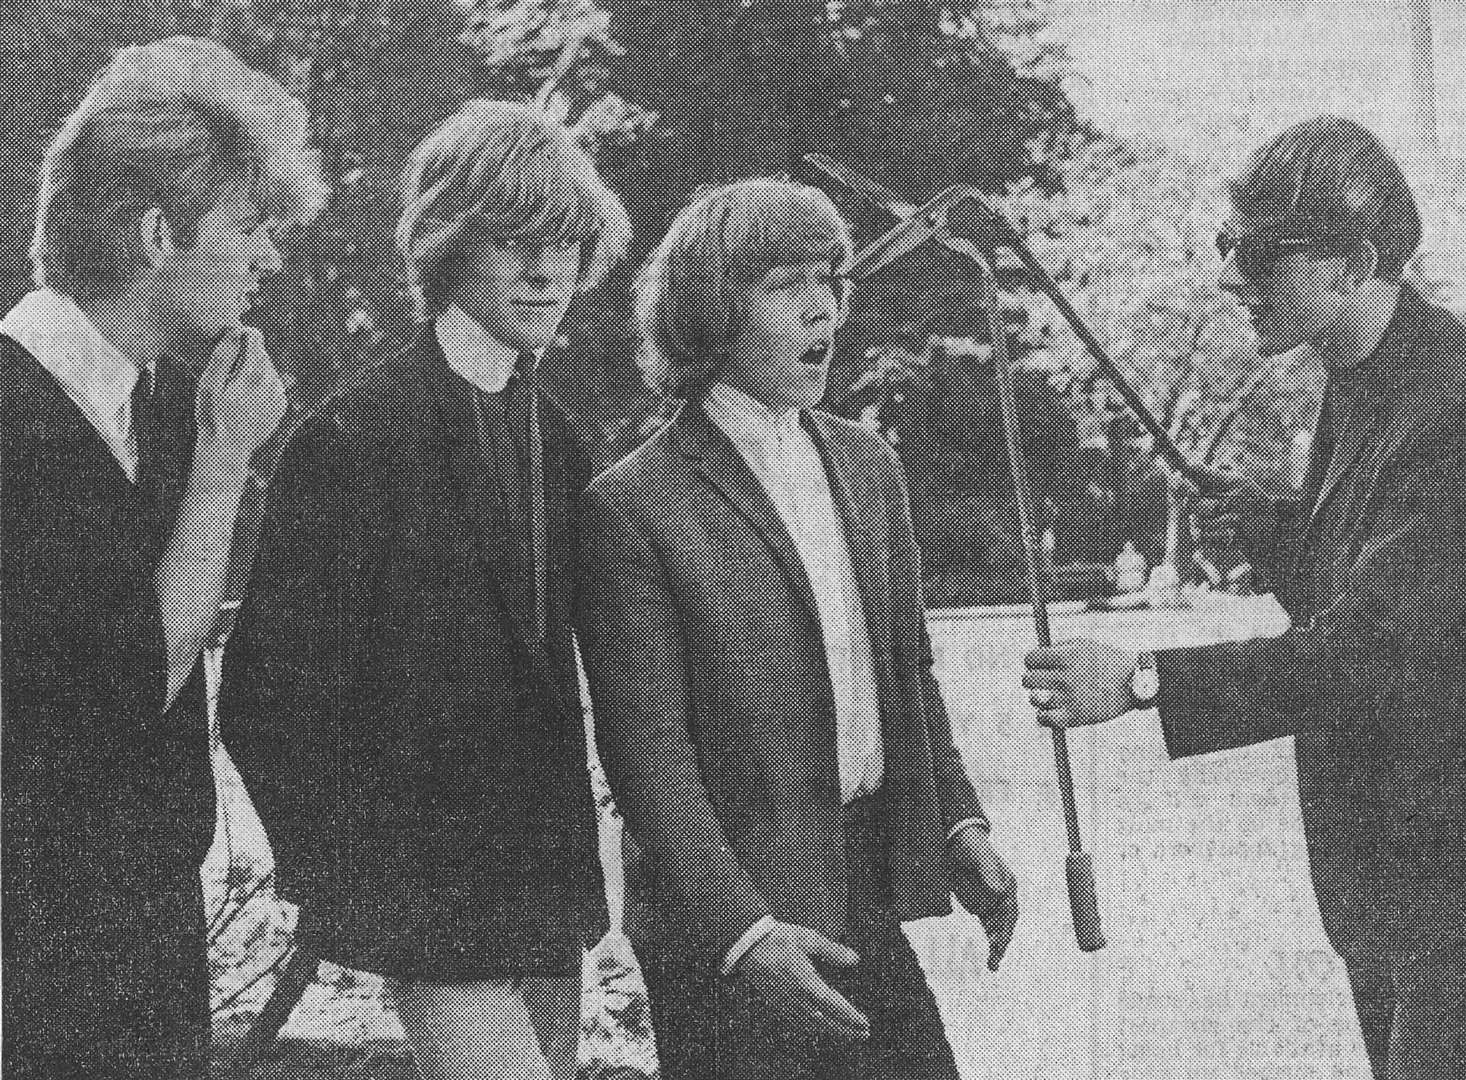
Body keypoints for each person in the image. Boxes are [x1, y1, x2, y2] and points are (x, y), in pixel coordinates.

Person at [1023, 115, 1466, 1080]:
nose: (1231, 277)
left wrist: (1139, 680)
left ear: (1356, 261)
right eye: (1230, 247)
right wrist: (1273, 530)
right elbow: (1377, 585)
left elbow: (1374, 657)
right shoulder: (1363, 381)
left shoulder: (1451, 403)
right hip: (1384, 880)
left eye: (1260, 254)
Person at [219, 100, 630, 1080]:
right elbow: (264, 694)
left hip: (544, 899)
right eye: (513, 240)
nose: (544, 271)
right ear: (447, 245)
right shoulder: (354, 437)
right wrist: (355, 884)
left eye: (565, 243)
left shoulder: (564, 442)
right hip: (426, 903)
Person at [576, 178, 1019, 1080]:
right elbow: (645, 755)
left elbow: (910, 676)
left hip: (862, 897)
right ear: (707, 310)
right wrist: (743, 933)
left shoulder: (867, 464)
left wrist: (958, 826)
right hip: (728, 933)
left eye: (831, 281)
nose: (823, 307)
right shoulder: (632, 506)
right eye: (785, 284)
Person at [1, 37, 321, 1078]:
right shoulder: (15, 414)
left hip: (139, 924)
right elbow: (125, 678)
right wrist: (225, 467)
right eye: (246, 226)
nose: (268, 259)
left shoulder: (157, 405)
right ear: (153, 234)